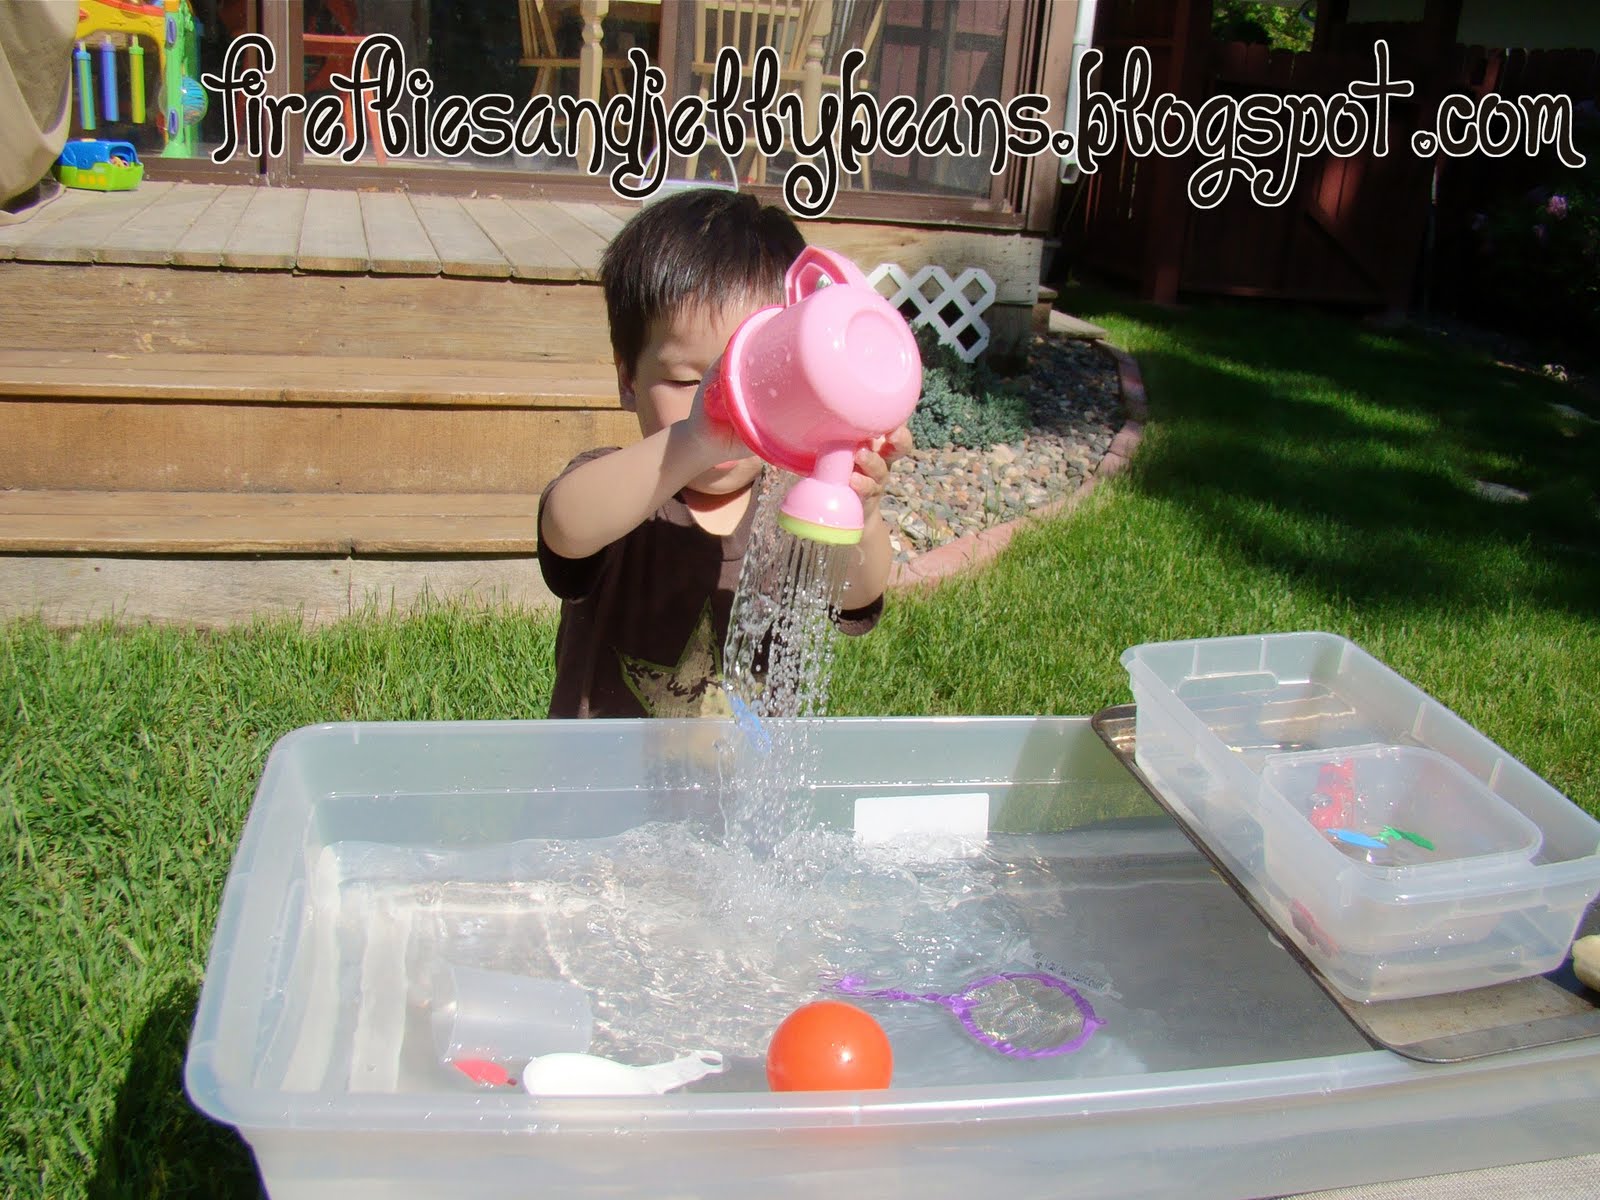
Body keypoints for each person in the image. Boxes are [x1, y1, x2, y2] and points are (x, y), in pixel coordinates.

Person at [537, 188, 910, 718]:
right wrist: (692, 440)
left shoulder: (793, 501)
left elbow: (855, 596)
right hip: (605, 792)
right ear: (627, 378)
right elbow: (566, 528)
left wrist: (862, 508)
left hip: (739, 797)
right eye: (689, 380)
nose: (727, 408)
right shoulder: (622, 489)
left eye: (759, 378)